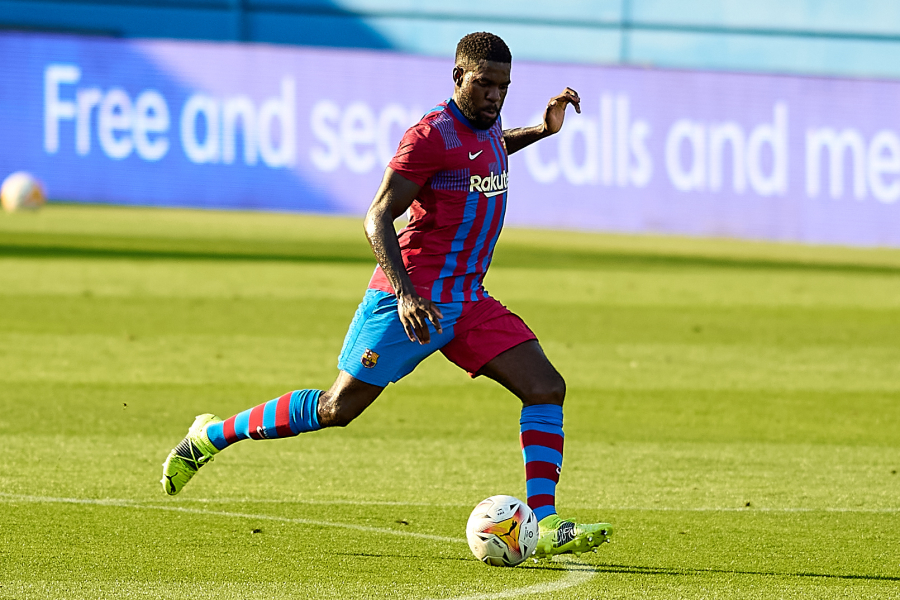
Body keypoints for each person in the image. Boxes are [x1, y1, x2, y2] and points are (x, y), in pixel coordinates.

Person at [162, 31, 612, 559]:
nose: (495, 96)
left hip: (467, 301)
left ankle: (549, 521)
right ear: (458, 77)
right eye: (485, 84)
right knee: (337, 408)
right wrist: (404, 294)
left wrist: (540, 129)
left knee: (545, 387)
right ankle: (211, 436)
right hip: (412, 300)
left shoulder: (486, 128)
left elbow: (488, 146)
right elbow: (377, 216)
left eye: (503, 87)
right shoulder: (427, 137)